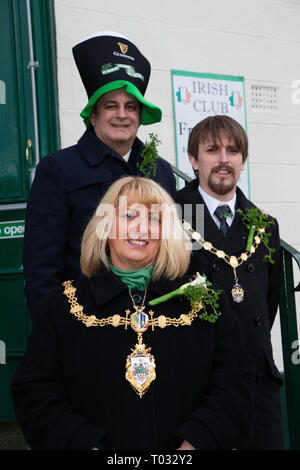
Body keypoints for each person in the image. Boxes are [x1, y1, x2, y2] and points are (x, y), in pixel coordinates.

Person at [11, 176, 255, 450]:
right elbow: (37, 393)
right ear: (105, 227)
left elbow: (235, 382)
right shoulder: (62, 307)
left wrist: (196, 443)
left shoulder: (207, 302)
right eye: (129, 215)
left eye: (155, 219)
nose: (142, 228)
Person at [23, 31, 176, 310]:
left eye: (131, 107)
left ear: (140, 117)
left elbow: (176, 251)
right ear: (93, 115)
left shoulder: (162, 173)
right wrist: (54, 334)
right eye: (111, 106)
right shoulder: (57, 171)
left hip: (154, 324)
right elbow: (41, 270)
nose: (122, 114)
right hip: (86, 327)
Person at [174, 115, 283, 449]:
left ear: (243, 160)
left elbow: (268, 300)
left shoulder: (263, 223)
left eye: (233, 150)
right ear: (193, 159)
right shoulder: (171, 215)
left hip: (257, 386)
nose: (224, 159)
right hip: (197, 387)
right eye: (212, 149)